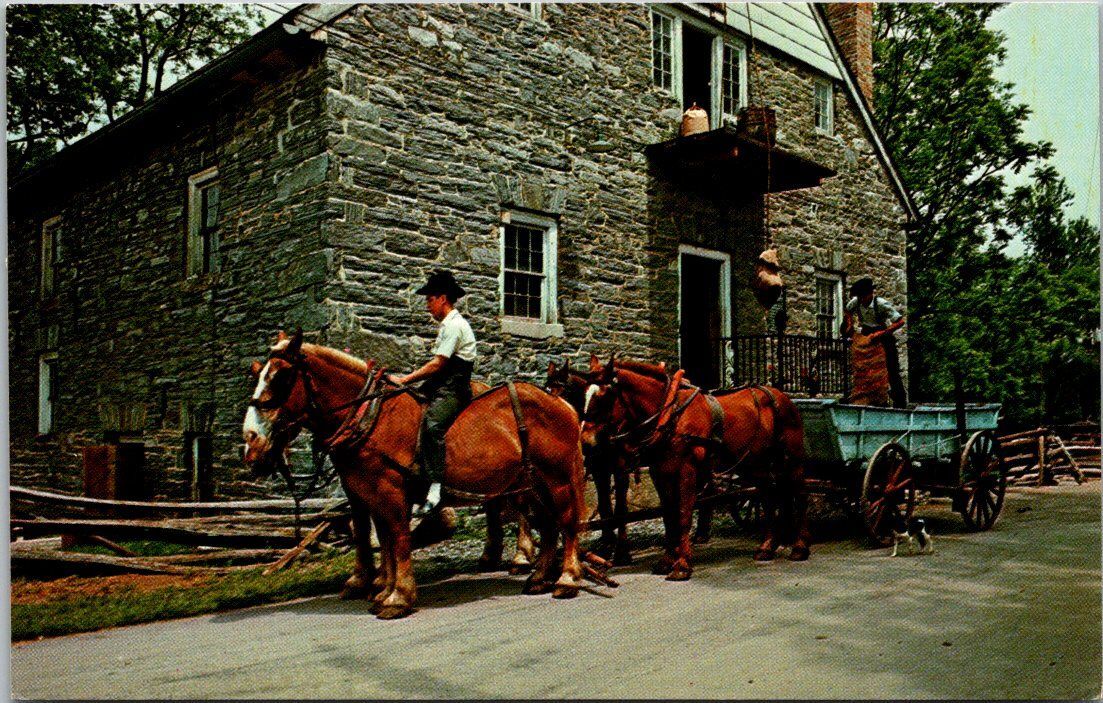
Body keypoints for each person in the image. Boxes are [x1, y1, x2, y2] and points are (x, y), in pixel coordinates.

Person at [389, 270, 477, 515]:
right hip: (439, 384)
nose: (427, 305)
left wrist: (404, 379)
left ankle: (436, 487)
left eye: (430, 299)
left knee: (432, 425)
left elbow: (438, 364)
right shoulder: (446, 325)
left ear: (442, 299)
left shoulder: (455, 326)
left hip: (454, 388)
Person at [842, 277, 907, 408]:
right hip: (867, 335)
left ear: (870, 294)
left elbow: (900, 321)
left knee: (891, 369)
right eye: (859, 297)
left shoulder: (881, 304)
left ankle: (899, 402)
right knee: (865, 368)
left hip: (883, 335)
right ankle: (867, 399)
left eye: (864, 296)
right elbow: (848, 310)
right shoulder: (855, 302)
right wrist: (849, 323)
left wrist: (882, 333)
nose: (862, 300)